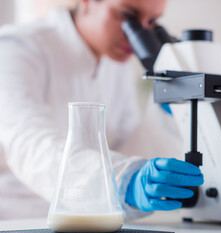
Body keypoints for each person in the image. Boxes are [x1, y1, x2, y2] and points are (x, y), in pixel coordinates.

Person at [0, 0, 203, 220]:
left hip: (92, 217)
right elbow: (29, 143)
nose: (136, 34)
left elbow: (127, 148)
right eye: (127, 15)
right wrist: (123, 180)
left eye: (152, 21)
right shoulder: (17, 47)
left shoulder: (117, 65)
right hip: (17, 216)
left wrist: (168, 113)